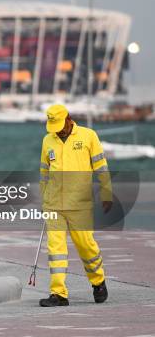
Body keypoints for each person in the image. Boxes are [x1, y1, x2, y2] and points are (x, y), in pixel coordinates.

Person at [38, 104, 112, 307]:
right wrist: (43, 196)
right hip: (53, 205)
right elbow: (44, 171)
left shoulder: (88, 136)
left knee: (86, 247)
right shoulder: (47, 140)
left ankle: (98, 282)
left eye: (60, 125)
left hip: (80, 204)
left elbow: (101, 167)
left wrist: (106, 193)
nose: (58, 130)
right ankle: (58, 294)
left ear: (69, 119)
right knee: (56, 250)